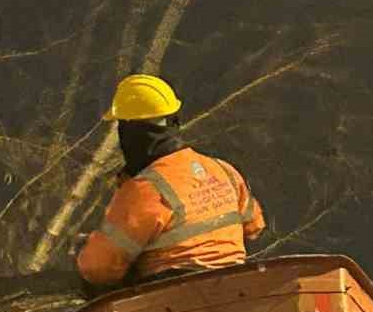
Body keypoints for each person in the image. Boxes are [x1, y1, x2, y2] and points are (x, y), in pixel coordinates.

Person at [76, 74, 265, 288]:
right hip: (236, 286)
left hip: (171, 300)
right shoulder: (222, 169)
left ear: (129, 131)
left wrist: (86, 249)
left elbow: (98, 269)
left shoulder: (144, 190)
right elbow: (255, 226)